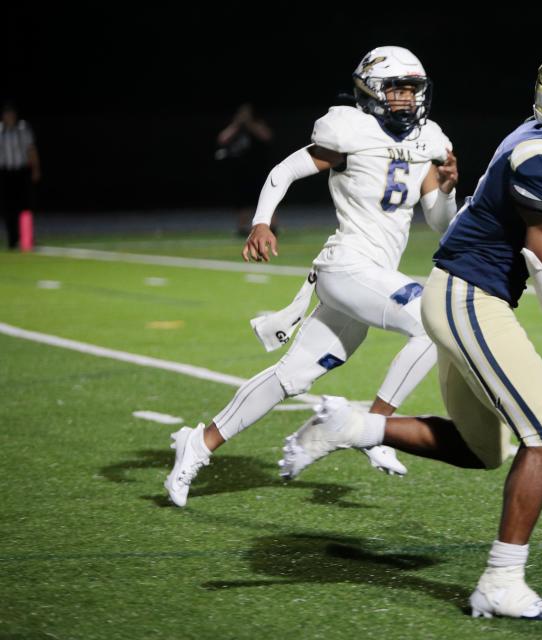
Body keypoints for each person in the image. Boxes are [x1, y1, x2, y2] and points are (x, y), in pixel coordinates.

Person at [282, 46, 542, 621]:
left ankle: (353, 424)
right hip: (469, 299)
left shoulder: (538, 137)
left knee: (482, 450)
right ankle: (500, 582)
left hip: (455, 292)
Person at [165, 46, 459, 507]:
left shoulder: (430, 140)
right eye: (395, 89)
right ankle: (374, 428)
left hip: (371, 276)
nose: (404, 99)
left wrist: (446, 189)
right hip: (345, 266)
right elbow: (284, 171)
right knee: (433, 319)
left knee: (291, 377)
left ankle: (199, 443)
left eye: (412, 90)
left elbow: (441, 222)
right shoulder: (349, 129)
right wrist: (262, 221)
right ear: (370, 91)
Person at [214, 103, 274, 236]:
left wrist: (250, 124)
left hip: (259, 168)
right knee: (242, 200)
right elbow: (222, 139)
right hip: (241, 170)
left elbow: (266, 136)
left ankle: (272, 226)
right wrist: (237, 124)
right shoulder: (236, 126)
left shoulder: (257, 123)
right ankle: (242, 228)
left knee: (266, 196)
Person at [0, 102, 41, 249]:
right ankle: (12, 240)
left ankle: (27, 239)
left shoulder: (23, 129)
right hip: (6, 173)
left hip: (22, 172)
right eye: (6, 114)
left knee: (26, 206)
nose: (9, 116)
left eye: (11, 113)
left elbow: (31, 150)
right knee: (8, 208)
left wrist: (35, 168)